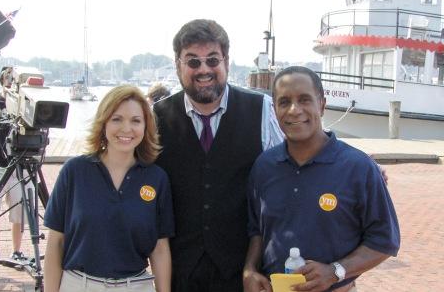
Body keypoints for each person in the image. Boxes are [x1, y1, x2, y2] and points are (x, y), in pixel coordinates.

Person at [153, 19, 284, 292]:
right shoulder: (155, 118)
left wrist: (360, 164)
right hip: (179, 272)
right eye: (193, 61)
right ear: (178, 65)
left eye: (212, 60)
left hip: (242, 271)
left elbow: (298, 153)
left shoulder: (261, 109)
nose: (204, 70)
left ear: (226, 61)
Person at [244, 66, 400, 292]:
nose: (294, 110)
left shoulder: (358, 167)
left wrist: (336, 271)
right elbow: (257, 230)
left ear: (322, 105)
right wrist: (250, 269)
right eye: (284, 102)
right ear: (274, 108)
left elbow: (385, 241)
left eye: (305, 100)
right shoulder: (264, 166)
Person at [43, 85, 174, 292]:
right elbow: (56, 242)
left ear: (145, 127)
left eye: (136, 121)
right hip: (78, 285)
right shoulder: (74, 172)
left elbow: (159, 248)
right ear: (103, 123)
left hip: (136, 286)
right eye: (117, 119)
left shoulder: (157, 178)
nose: (126, 129)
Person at [0, 66, 30, 261]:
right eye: (7, 77)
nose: (10, 81)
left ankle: (17, 251)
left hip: (20, 164)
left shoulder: (23, 104)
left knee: (19, 209)